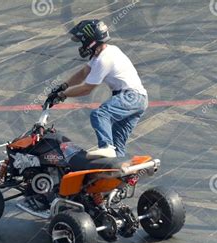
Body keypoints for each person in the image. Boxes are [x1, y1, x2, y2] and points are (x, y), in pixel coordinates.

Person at [47, 19, 148, 159]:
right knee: (117, 145)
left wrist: (62, 95)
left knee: (100, 114)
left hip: (130, 97)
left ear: (91, 41)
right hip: (138, 99)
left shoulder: (103, 59)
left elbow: (87, 89)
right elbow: (83, 73)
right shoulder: (107, 51)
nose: (81, 46)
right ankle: (117, 172)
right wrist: (63, 86)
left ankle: (106, 147)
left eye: (82, 41)